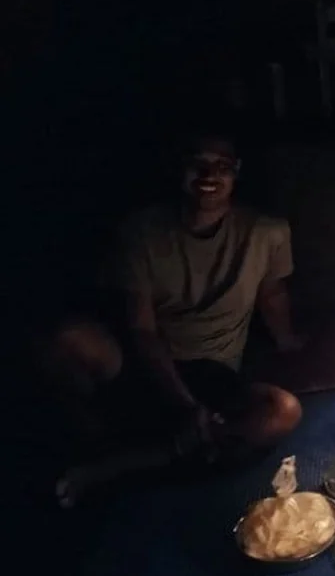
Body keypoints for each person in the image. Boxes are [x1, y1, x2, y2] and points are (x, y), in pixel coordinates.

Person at [48, 133, 304, 506]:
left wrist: (288, 341)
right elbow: (142, 330)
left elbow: (272, 293)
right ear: (179, 168)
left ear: (237, 172)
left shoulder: (267, 231)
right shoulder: (141, 233)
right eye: (197, 163)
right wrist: (184, 404)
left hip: (214, 371)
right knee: (65, 339)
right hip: (147, 362)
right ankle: (97, 445)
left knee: (283, 412)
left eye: (221, 165)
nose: (208, 174)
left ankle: (126, 464)